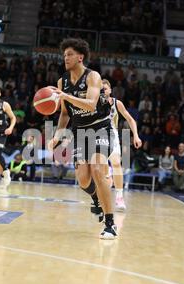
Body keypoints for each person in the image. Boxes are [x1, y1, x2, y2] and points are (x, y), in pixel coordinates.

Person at [48, 38, 117, 239]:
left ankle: (110, 223)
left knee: (96, 169)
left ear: (80, 57)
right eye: (64, 55)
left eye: (69, 54)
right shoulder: (63, 81)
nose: (65, 58)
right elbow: (64, 114)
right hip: (80, 132)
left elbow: (91, 105)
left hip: (100, 128)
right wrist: (57, 136)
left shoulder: (92, 76)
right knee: (83, 179)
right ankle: (96, 198)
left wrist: (66, 96)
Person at [102, 79, 142, 210]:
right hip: (95, 135)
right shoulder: (93, 102)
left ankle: (119, 197)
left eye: (106, 88)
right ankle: (106, 177)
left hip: (112, 135)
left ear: (110, 90)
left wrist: (135, 135)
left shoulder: (116, 103)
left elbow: (130, 119)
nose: (103, 90)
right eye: (101, 88)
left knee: (116, 163)